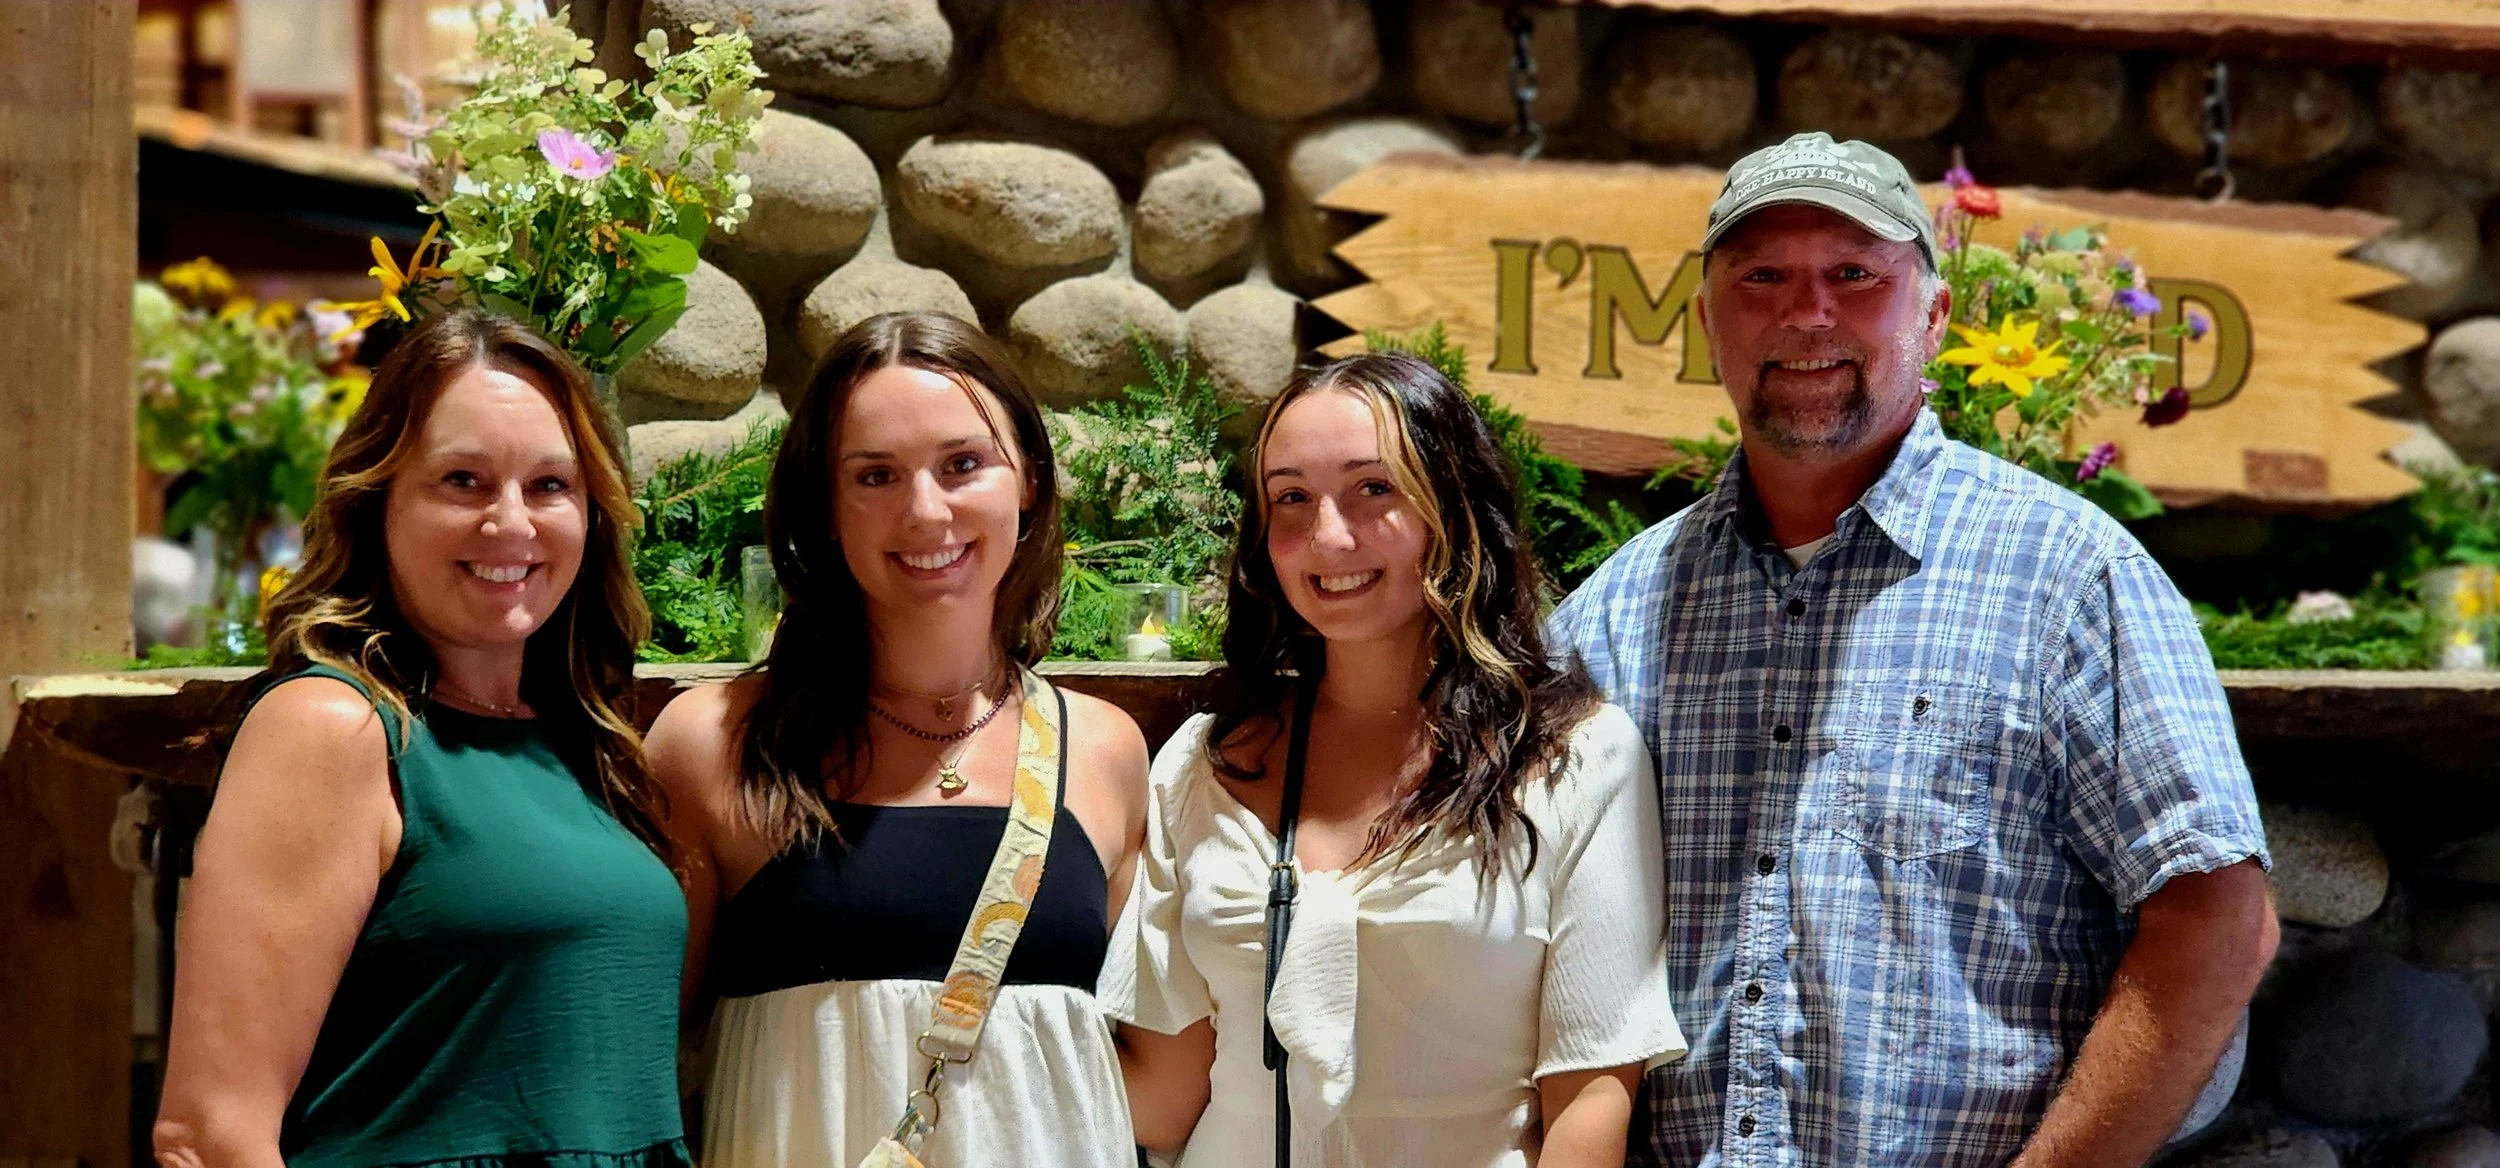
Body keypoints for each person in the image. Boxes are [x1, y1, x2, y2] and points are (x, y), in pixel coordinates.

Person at [1547, 131, 2278, 1167]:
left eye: (1854, 275)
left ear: (1932, 315)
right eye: (1761, 277)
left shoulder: (2066, 575)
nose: (1807, 313)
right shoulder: (1605, 620)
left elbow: (2219, 916)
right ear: (1705, 322)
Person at [1107, 352, 1686, 1168]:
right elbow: (1164, 1103)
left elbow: (1591, 1098)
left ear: (1454, 506)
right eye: (1292, 499)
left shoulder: (1579, 760)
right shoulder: (1205, 765)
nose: (1328, 536)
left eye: (1374, 488)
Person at [153, 308, 688, 1168]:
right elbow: (209, 1134)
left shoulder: (586, 743)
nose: (511, 522)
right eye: (463, 481)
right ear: (379, 501)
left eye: (550, 485)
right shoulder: (334, 728)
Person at [644, 310, 1150, 1168]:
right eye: (875, 475)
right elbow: (645, 1061)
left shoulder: (1105, 750)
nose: (926, 511)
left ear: (1026, 477)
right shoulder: (714, 741)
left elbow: (1143, 1071)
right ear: (826, 509)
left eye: (963, 464)